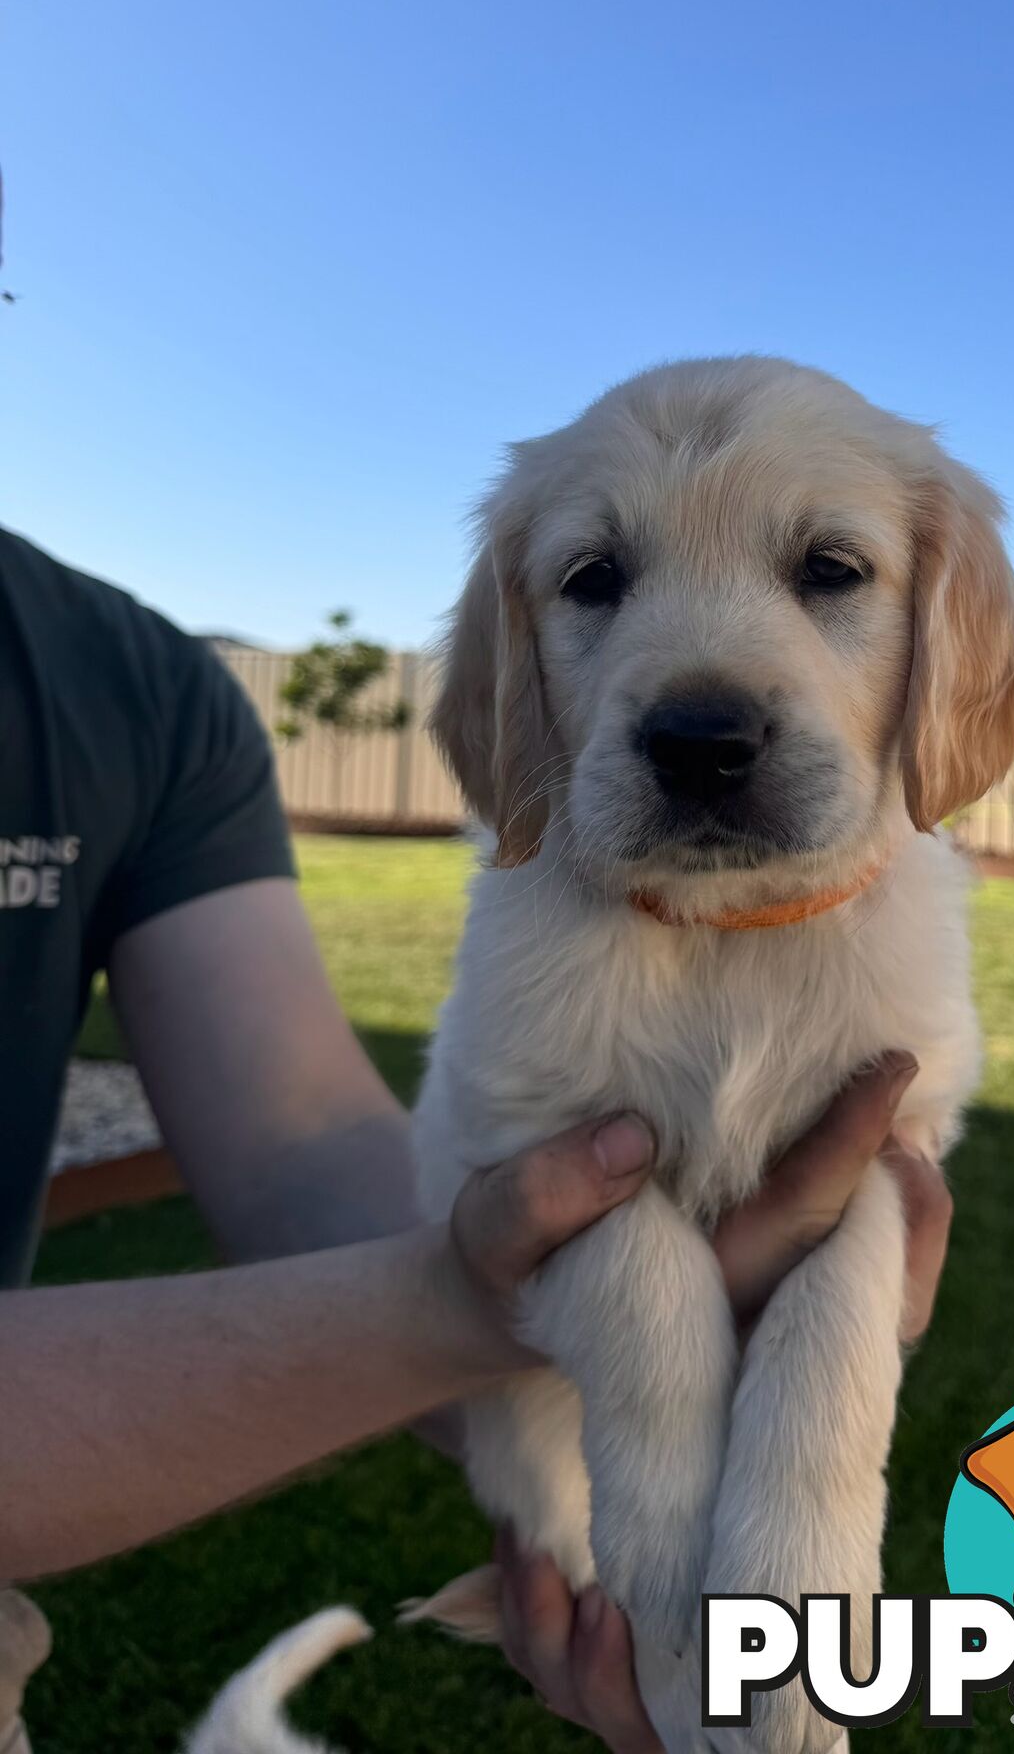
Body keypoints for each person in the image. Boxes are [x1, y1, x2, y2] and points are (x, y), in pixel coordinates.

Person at [0, 526, 952, 1752]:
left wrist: (592, 1403)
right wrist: (482, 1312)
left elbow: (304, 1154)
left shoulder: (129, 682)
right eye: (596, 580)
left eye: (825, 570)